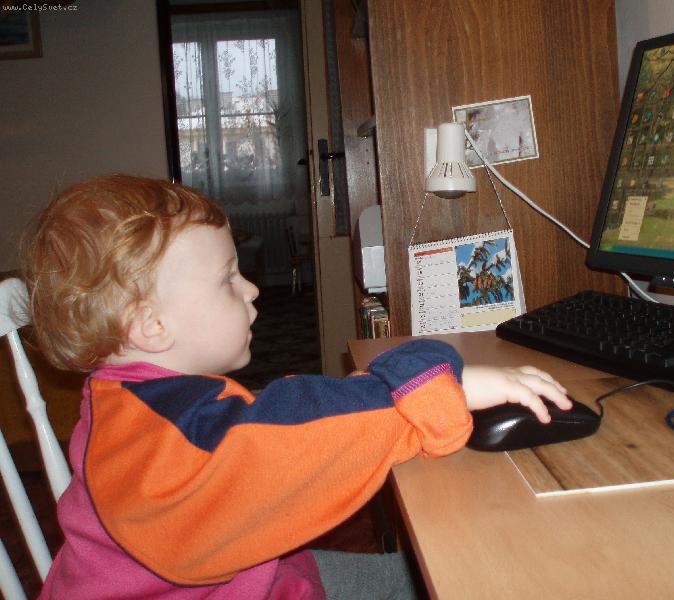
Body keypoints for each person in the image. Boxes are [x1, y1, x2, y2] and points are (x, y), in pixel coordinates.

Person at [22, 175, 571, 599]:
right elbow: (268, 445)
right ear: (151, 325)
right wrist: (434, 383)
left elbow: (268, 424)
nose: (252, 290)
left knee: (438, 569)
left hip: (254, 577)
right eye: (227, 279)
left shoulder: (133, 401)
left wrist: (365, 394)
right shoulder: (166, 431)